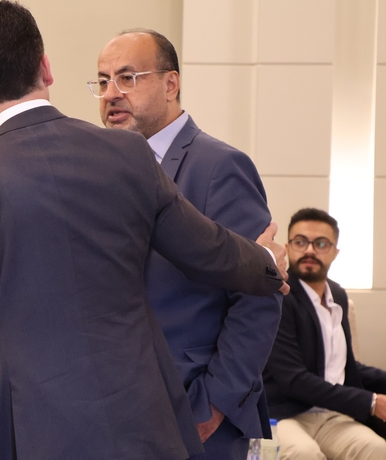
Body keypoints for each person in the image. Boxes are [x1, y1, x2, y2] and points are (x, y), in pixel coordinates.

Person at [0, 0, 289, 460]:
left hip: (25, 433)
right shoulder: (126, 156)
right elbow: (210, 249)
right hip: (138, 428)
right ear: (45, 68)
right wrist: (266, 261)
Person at [91, 30, 283, 459]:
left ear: (170, 84)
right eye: (102, 81)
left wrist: (215, 402)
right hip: (115, 412)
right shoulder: (102, 171)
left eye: (127, 78)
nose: (111, 94)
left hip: (195, 412)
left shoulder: (219, 166)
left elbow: (259, 294)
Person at [264, 208, 386, 460]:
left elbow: (344, 366)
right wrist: (371, 402)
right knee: (304, 453)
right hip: (283, 413)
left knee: (375, 448)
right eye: (300, 242)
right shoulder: (278, 296)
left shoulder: (337, 295)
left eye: (321, 243)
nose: (309, 250)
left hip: (330, 413)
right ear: (287, 247)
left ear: (335, 252)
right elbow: (293, 379)